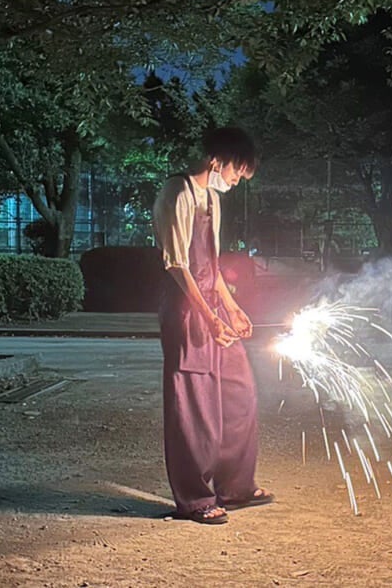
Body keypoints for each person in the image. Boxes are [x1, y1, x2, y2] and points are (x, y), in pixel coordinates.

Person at [152, 127, 274, 525]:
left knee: (240, 391)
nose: (236, 181)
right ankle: (195, 499)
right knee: (195, 407)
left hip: (210, 305)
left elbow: (214, 266)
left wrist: (232, 308)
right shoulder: (178, 192)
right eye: (237, 173)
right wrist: (207, 315)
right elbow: (177, 265)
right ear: (217, 161)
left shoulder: (211, 199)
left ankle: (236, 486)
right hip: (186, 310)